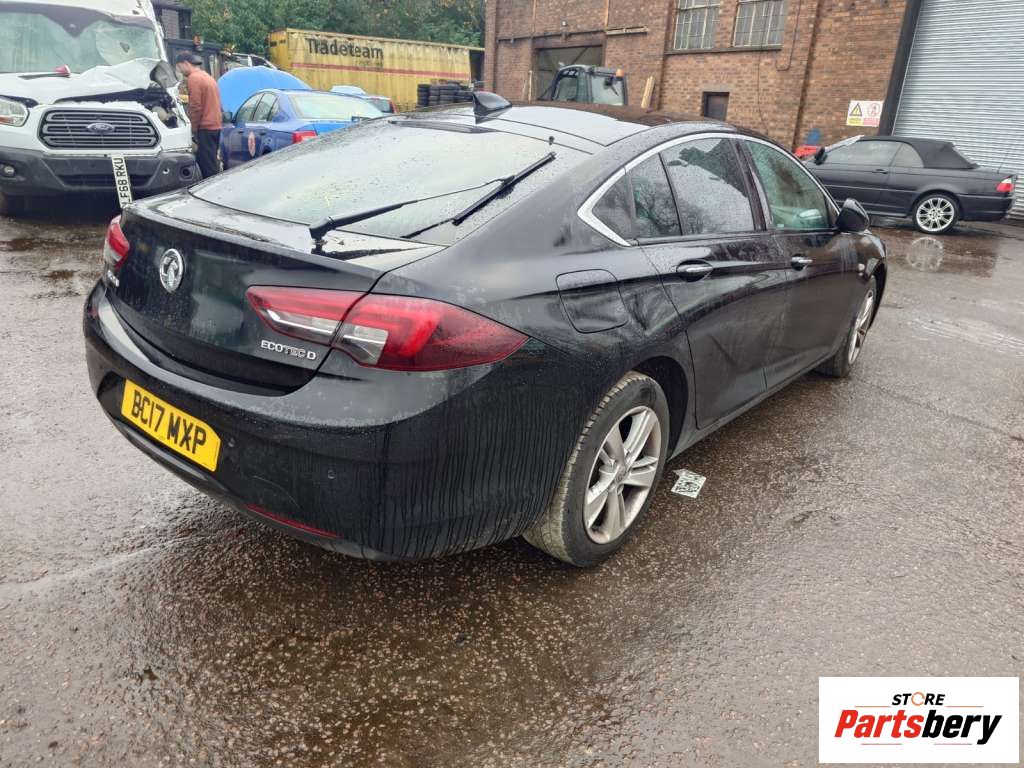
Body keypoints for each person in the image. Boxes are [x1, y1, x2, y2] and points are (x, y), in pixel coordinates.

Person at [174, 52, 222, 179]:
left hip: (205, 128)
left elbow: (195, 106)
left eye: (179, 67)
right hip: (215, 126)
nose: (179, 71)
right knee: (212, 162)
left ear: (185, 63)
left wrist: (192, 129)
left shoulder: (194, 78)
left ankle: (211, 188)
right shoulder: (207, 77)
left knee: (207, 167)